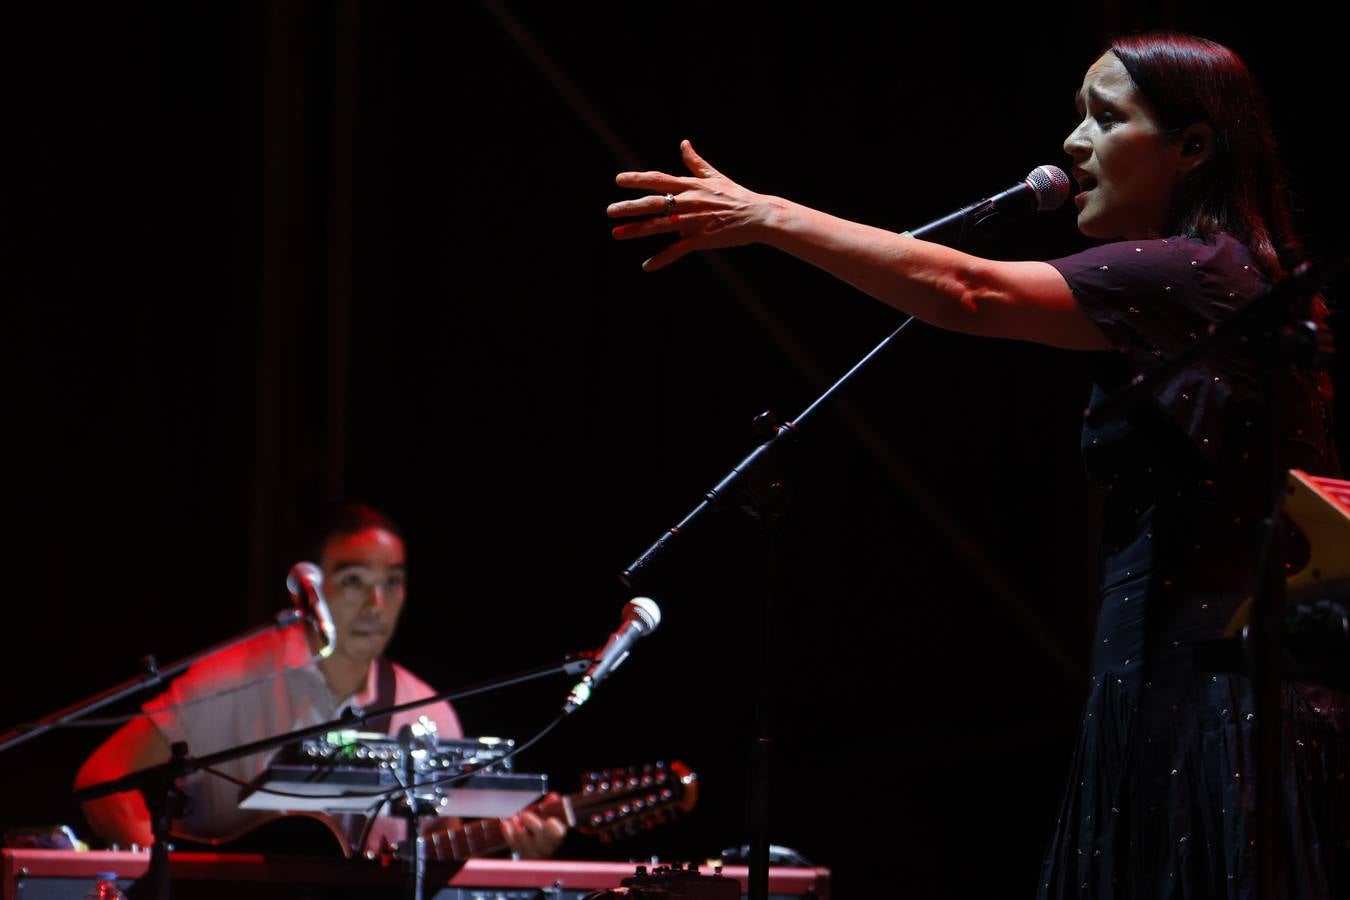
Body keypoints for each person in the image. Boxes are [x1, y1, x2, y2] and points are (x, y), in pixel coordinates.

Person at [607, 31, 1346, 898]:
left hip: (1214, 707)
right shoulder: (1213, 281)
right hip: (1188, 689)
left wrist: (770, 216)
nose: (1073, 146)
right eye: (1078, 117)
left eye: (1106, 119)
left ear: (1193, 146)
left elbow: (971, 291)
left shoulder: (1195, 273)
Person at [74, 503, 567, 859]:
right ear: (312, 589)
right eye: (354, 582)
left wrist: (520, 852)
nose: (377, 606)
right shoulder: (235, 679)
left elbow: (442, 853)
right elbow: (102, 781)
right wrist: (170, 881)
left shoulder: (428, 712)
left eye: (391, 582)